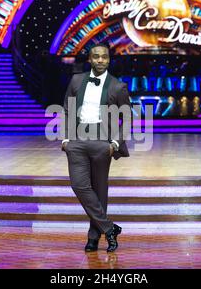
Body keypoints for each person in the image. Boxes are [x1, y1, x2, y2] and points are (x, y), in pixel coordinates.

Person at [61, 43, 131, 252]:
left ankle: (94, 238)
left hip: (103, 142)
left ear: (109, 60)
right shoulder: (76, 80)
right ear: (90, 59)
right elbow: (67, 110)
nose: (100, 60)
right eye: (96, 57)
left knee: (100, 190)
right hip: (77, 141)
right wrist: (66, 139)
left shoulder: (118, 86)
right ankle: (109, 228)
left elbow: (126, 118)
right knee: (79, 185)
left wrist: (115, 144)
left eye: (104, 57)